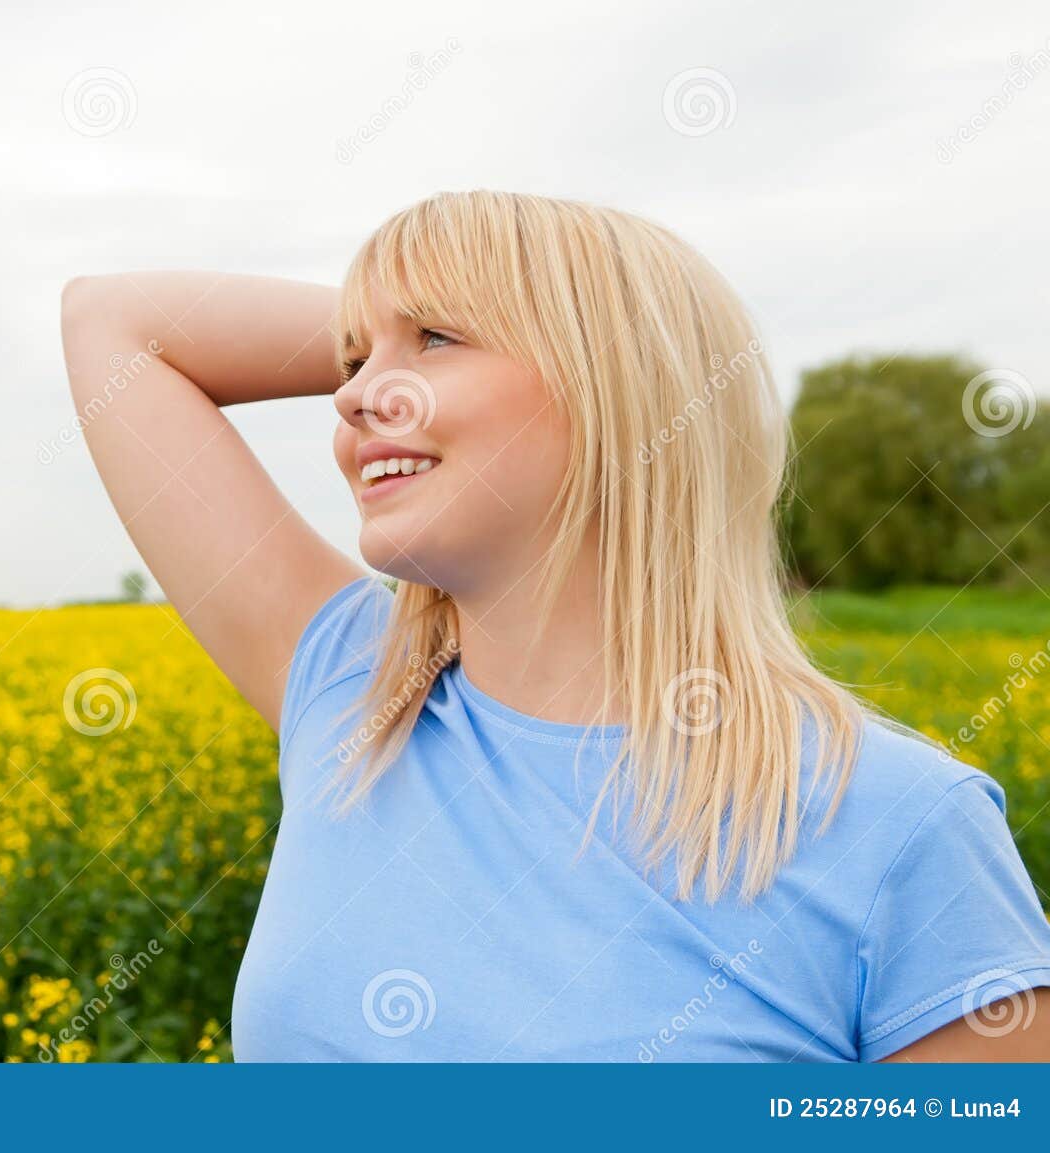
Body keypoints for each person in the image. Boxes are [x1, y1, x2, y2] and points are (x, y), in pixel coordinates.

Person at [58, 190, 1050, 1061]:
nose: (353, 393)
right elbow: (110, 321)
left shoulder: (904, 827)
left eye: (434, 339)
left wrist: (612, 334)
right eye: (353, 357)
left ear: (612, 385)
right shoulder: (353, 696)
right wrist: (417, 333)